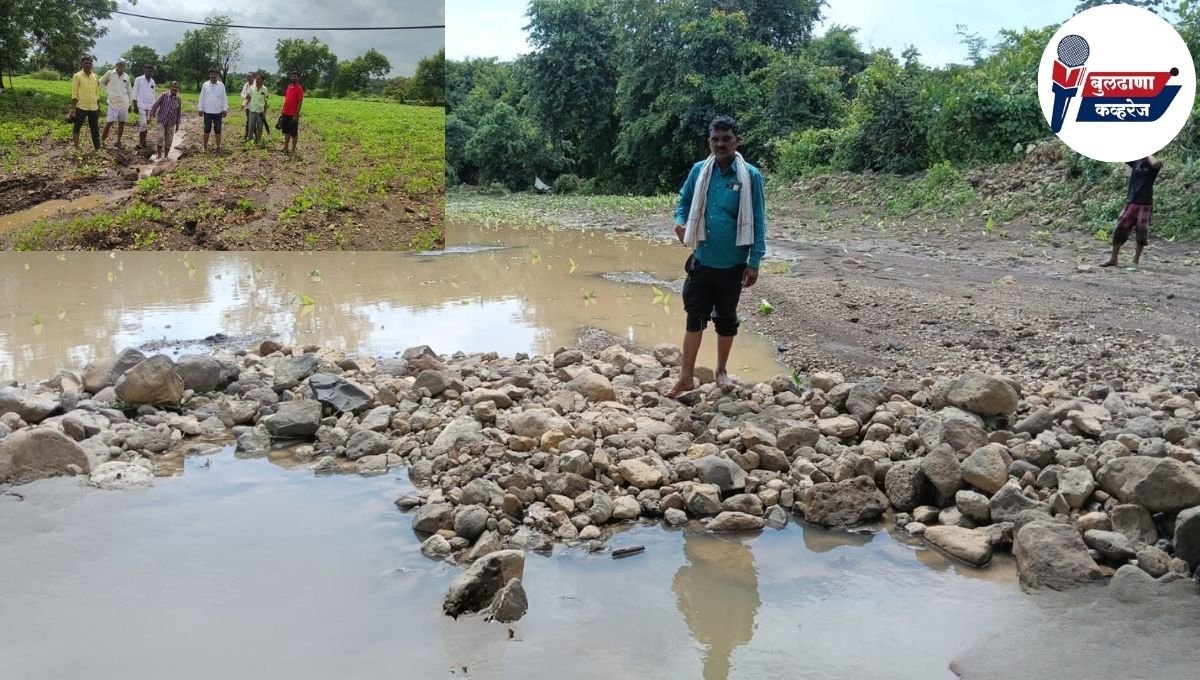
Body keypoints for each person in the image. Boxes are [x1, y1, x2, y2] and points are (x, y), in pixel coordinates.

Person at [666, 115, 767, 398]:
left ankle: (720, 370)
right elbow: (684, 201)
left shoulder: (750, 176)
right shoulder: (700, 171)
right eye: (715, 139)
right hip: (702, 260)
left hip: (733, 265)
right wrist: (680, 223)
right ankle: (685, 376)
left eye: (726, 139)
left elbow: (758, 220)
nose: (720, 144)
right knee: (694, 317)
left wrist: (754, 261)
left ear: (737, 141)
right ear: (709, 142)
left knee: (726, 319)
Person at [1101, 155, 1162, 268]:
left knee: (1141, 233)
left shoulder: (1154, 165)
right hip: (1131, 201)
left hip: (1145, 203)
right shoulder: (1136, 162)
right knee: (1119, 229)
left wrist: (1148, 154)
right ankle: (1113, 259)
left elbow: (1156, 163)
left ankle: (1135, 262)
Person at [98, 57, 133, 147]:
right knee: (109, 122)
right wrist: (107, 91)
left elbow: (129, 91)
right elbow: (101, 82)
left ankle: (118, 142)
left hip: (124, 103)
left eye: (123, 64)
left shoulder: (126, 76)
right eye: (120, 64)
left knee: (122, 123)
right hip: (113, 103)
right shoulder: (110, 73)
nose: (122, 66)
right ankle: (102, 142)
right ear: (116, 65)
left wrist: (130, 103)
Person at [69, 56, 102, 152]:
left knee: (95, 129)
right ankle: (77, 148)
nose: (88, 65)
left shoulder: (95, 76)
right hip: (81, 107)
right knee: (77, 128)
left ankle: (97, 148)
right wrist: (73, 109)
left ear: (92, 65)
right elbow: (74, 93)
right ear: (82, 64)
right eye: (86, 63)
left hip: (93, 107)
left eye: (90, 63)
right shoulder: (77, 76)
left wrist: (98, 106)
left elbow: (97, 93)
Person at [147, 80, 183, 161]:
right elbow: (155, 105)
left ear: (178, 89)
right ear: (170, 87)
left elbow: (179, 113)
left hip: (171, 123)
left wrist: (177, 125)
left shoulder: (178, 99)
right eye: (173, 86)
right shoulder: (164, 95)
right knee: (160, 137)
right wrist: (150, 115)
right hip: (161, 121)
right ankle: (159, 156)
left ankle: (165, 157)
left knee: (169, 141)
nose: (174, 88)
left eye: (176, 87)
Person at [197, 68, 229, 152]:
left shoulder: (221, 85)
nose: (213, 75)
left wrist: (224, 109)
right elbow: (202, 97)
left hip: (218, 112)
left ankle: (218, 147)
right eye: (211, 74)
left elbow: (224, 98)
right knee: (206, 129)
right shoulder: (205, 85)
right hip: (207, 111)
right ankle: (205, 147)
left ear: (217, 75)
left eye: (214, 74)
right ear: (209, 75)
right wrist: (200, 108)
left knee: (218, 130)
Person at [131, 63, 157, 149]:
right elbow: (134, 91)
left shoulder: (152, 81)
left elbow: (153, 94)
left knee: (146, 124)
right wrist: (134, 105)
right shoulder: (139, 79)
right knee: (143, 123)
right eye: (148, 70)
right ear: (144, 70)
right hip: (141, 105)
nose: (149, 72)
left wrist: (154, 108)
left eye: (151, 71)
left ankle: (144, 141)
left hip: (150, 106)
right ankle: (141, 142)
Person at [279, 70, 304, 154]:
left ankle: (293, 150)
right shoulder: (289, 86)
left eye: (295, 76)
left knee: (294, 133)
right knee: (286, 131)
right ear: (290, 77)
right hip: (285, 113)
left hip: (293, 115)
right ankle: (285, 147)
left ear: (298, 78)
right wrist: (282, 112)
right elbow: (286, 100)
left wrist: (295, 115)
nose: (293, 78)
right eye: (292, 76)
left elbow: (300, 103)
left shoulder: (299, 88)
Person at [246, 73, 270, 146]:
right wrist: (244, 104)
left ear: (263, 80)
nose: (257, 80)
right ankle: (250, 140)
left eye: (259, 79)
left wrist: (265, 113)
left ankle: (258, 141)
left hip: (260, 112)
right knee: (251, 126)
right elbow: (249, 97)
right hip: (252, 110)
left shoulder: (265, 89)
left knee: (260, 127)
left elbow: (266, 102)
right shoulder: (252, 88)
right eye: (256, 79)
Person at [240, 72, 255, 141]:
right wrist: (245, 96)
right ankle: (249, 136)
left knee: (252, 121)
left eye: (250, 76)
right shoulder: (246, 85)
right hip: (248, 106)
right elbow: (242, 94)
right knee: (249, 121)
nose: (248, 78)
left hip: (255, 107)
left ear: (253, 77)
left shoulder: (256, 84)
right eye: (247, 76)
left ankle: (250, 136)